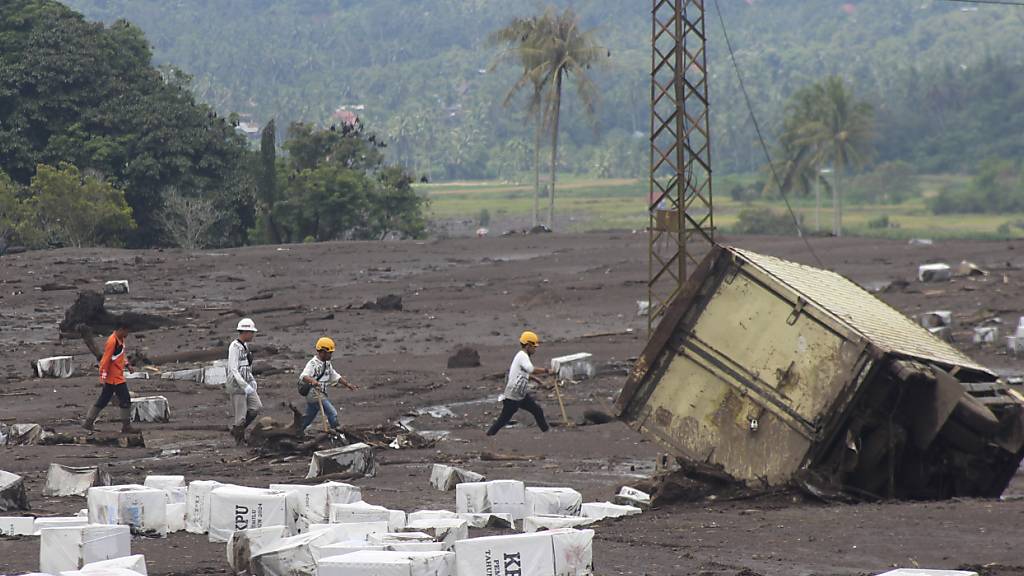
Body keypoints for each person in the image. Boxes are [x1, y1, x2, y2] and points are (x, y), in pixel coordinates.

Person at [486, 330, 551, 436]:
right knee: (503, 420)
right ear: (528, 346)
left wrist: (536, 380)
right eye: (534, 346)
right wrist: (547, 371)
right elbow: (530, 369)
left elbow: (523, 372)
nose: (535, 349)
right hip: (513, 396)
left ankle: (547, 432)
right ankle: (489, 435)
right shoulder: (522, 356)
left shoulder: (522, 356)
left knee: (537, 410)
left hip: (521, 394)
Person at [82, 321, 137, 434]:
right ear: (121, 329)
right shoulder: (112, 341)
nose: (127, 334)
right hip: (114, 378)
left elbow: (120, 354)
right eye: (127, 331)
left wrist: (127, 365)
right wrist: (103, 377)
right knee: (125, 399)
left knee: (103, 400)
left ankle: (88, 422)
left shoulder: (120, 339)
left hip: (116, 376)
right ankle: (126, 426)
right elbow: (105, 360)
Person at [298, 337, 358, 434]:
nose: (331, 355)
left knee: (309, 416)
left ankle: (298, 430)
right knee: (332, 413)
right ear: (322, 352)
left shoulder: (327, 363)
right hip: (314, 394)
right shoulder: (312, 364)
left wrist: (347, 384)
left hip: (320, 393)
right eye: (329, 353)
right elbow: (303, 376)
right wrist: (313, 381)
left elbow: (334, 375)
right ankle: (337, 432)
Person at [227, 318, 262, 444]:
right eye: (251, 332)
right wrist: (243, 385)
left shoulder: (245, 347)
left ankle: (237, 430)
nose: (253, 335)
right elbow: (234, 369)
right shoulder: (234, 347)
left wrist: (252, 381)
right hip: (237, 385)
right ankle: (239, 439)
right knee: (240, 416)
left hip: (247, 382)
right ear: (245, 332)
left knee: (256, 407)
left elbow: (247, 367)